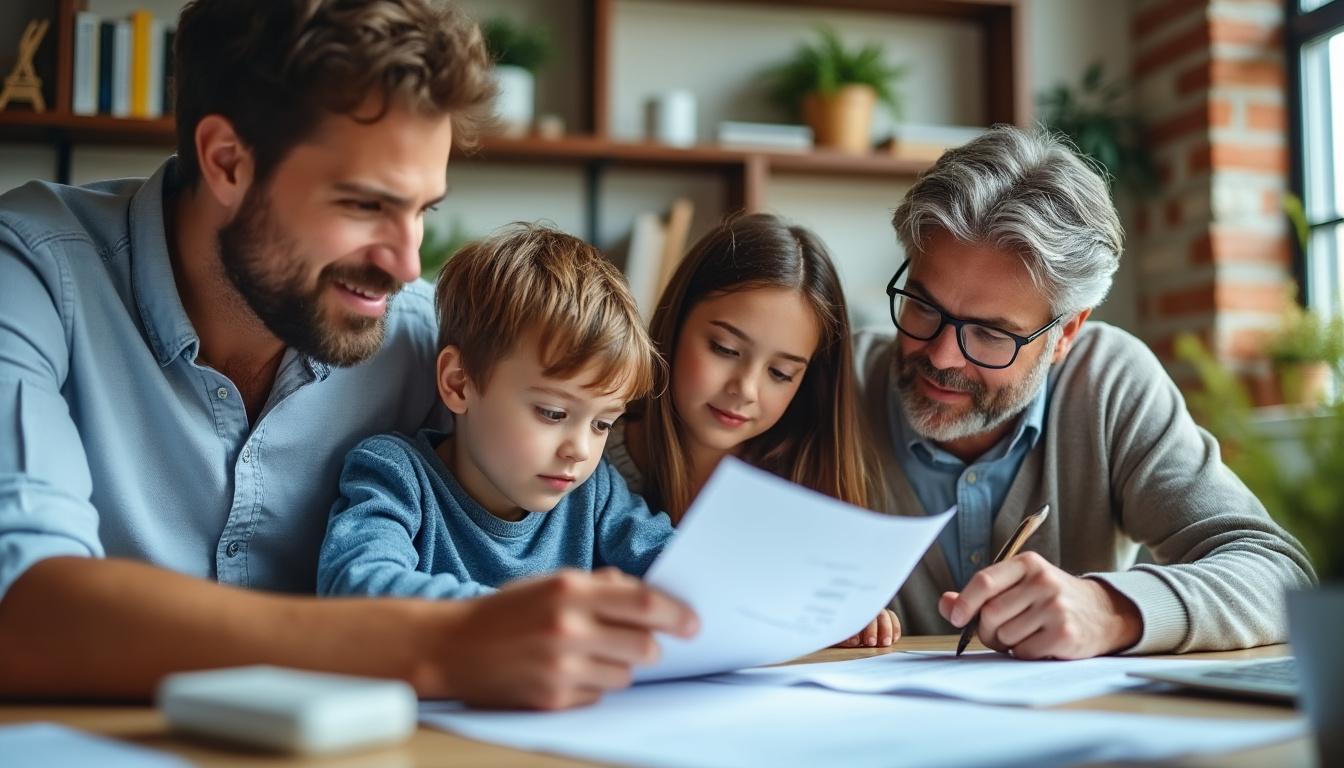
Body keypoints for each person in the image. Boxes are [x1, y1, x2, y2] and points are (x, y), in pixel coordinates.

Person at [0, 0, 694, 710]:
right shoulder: (31, 275)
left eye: (422, 210)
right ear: (228, 162)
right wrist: (440, 641)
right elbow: (19, 606)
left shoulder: (418, 335)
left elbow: (592, 445)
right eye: (365, 206)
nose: (405, 264)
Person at [856, 125, 1315, 659]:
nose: (940, 356)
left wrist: (1111, 610)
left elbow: (1278, 575)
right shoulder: (829, 379)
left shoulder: (1110, 383)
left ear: (1063, 335)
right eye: (923, 307)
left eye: (989, 334)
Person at [318, 224, 675, 598]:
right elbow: (354, 584)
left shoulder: (594, 493)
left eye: (602, 424)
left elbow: (682, 568)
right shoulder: (396, 475)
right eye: (553, 413)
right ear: (459, 383)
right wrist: (512, 619)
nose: (580, 450)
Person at [607, 212, 898, 648]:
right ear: (676, 320)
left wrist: (848, 620)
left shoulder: (806, 483)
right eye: (724, 349)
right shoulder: (588, 454)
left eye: (780, 373)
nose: (744, 389)